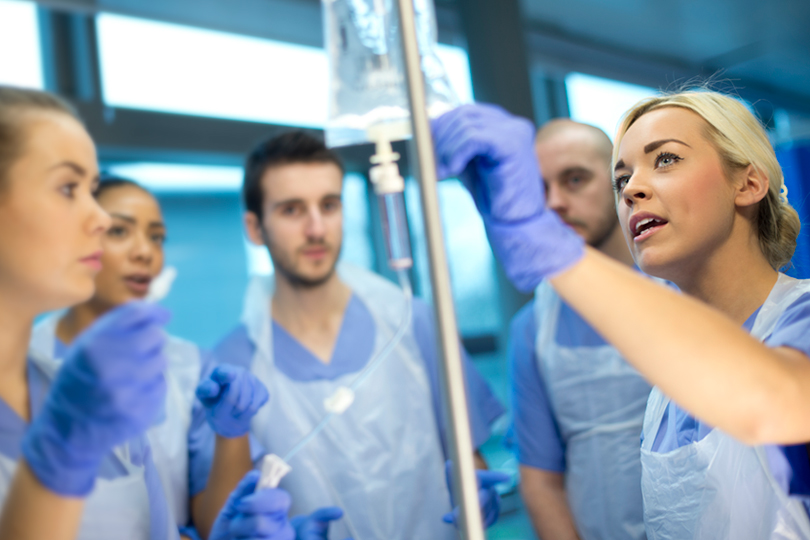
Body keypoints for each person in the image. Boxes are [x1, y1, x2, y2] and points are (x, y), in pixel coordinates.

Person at [432, 92, 810, 539]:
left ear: (747, 184)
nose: (631, 189)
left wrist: (550, 248)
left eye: (666, 159)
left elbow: (778, 401)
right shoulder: (664, 399)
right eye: (622, 179)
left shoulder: (800, 315)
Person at [0, 85, 293, 540]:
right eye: (68, 188)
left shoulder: (97, 400)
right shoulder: (84, 404)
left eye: (91, 191)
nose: (99, 219)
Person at [211, 130, 507, 540]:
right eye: (292, 210)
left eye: (329, 205)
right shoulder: (234, 365)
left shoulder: (411, 323)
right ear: (255, 228)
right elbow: (225, 516)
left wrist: (475, 500)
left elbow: (468, 461)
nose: (317, 229)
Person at [28, 176, 270, 539]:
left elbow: (218, 527)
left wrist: (231, 436)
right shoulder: (20, 363)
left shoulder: (190, 369)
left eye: (157, 237)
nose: (145, 252)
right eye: (119, 231)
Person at [509, 119, 650, 540]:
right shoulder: (534, 326)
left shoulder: (685, 290)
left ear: (620, 183)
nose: (554, 202)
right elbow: (541, 481)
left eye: (575, 180)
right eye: (540, 189)